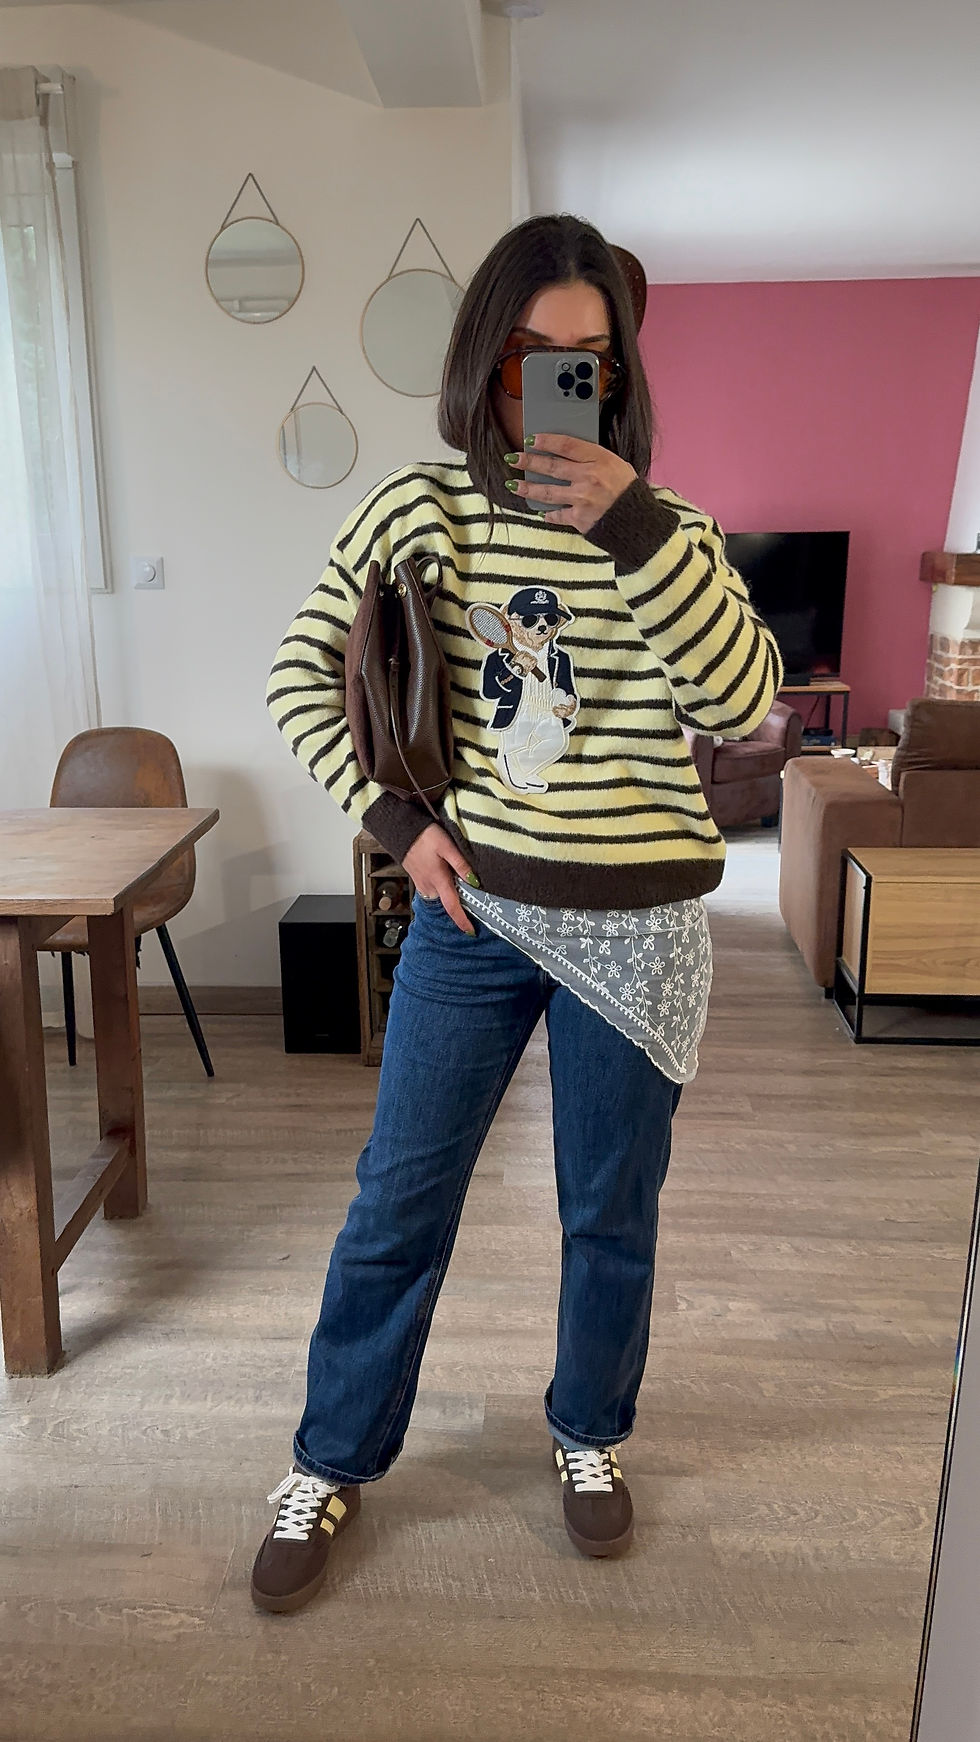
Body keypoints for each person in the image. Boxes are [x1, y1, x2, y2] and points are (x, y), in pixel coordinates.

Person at [255, 213, 782, 1614]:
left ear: (621, 375)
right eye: (530, 358)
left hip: (642, 924)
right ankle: (329, 1455)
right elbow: (301, 677)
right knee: (397, 1200)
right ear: (482, 363)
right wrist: (395, 826)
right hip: (477, 916)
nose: (557, 386)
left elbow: (742, 703)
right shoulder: (419, 512)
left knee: (610, 1212)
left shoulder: (674, 531)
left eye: (587, 360)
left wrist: (633, 524)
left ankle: (590, 1432)